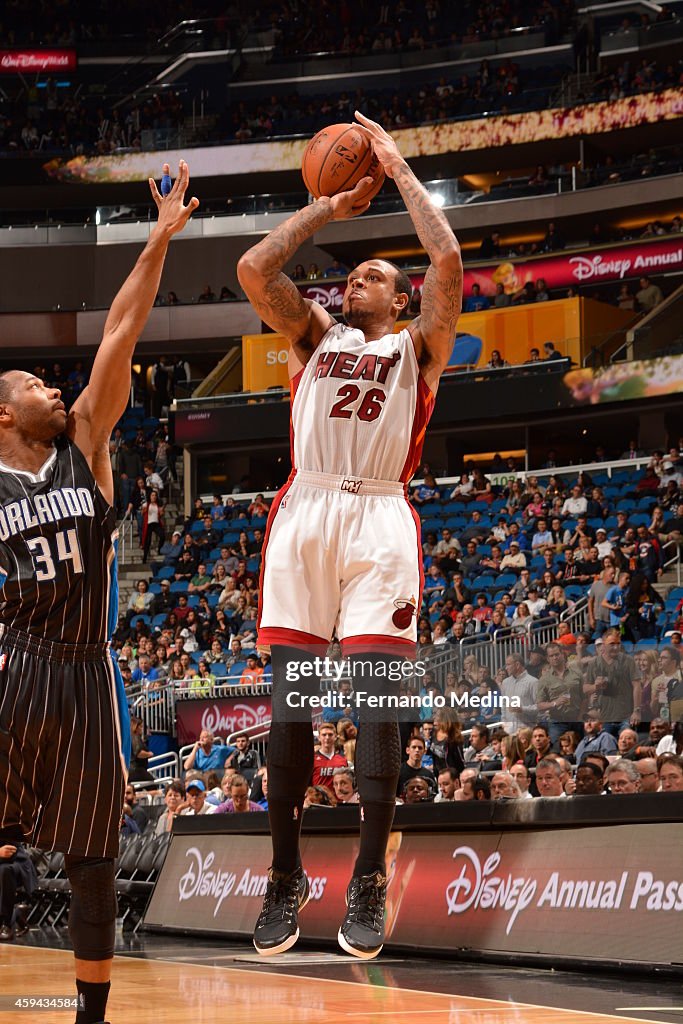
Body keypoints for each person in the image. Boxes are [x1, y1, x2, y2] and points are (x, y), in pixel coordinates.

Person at [238, 112, 463, 960]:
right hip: (306, 510)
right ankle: (284, 874)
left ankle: (369, 875)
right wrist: (329, 211)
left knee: (376, 696)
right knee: (290, 700)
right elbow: (254, 266)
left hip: (378, 512)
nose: (351, 284)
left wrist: (399, 170)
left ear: (400, 300)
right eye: (351, 276)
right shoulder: (311, 335)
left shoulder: (420, 346)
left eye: (370, 276)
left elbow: (446, 260)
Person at [0, 160, 197, 1023]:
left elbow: (120, 329)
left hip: (86, 671)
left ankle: (88, 1015)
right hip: (15, 664)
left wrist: (156, 241)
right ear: (3, 415)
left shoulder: (87, 440)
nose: (53, 387)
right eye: (32, 386)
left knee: (92, 854)